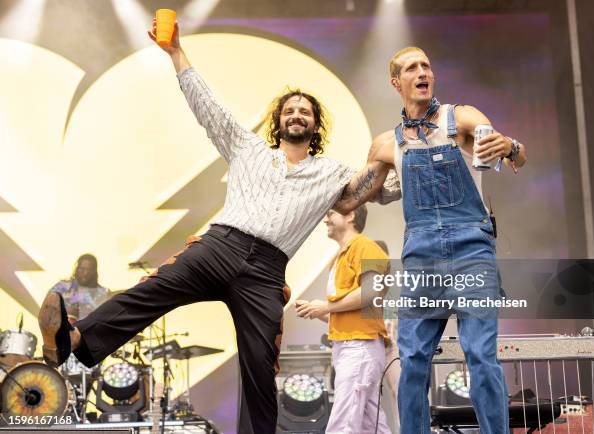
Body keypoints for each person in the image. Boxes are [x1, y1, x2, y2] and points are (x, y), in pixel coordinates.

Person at [37, 20, 390, 434]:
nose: (297, 114)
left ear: (315, 125)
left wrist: (395, 154)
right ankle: (74, 341)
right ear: (279, 121)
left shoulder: (331, 173)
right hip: (221, 245)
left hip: (266, 272)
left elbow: (377, 190)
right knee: (151, 290)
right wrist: (176, 54)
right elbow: (209, 107)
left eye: (305, 111)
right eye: (290, 109)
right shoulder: (249, 148)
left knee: (260, 365)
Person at [334, 46, 527, 433]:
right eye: (411, 67)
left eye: (426, 66)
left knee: (480, 356)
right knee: (412, 362)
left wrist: (509, 147)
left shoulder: (464, 117)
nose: (422, 72)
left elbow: (513, 155)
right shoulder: (387, 145)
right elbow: (349, 199)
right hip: (421, 259)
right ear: (396, 82)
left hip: (472, 251)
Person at [296, 205, 392, 434]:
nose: (325, 219)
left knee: (343, 424)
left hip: (360, 346)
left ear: (350, 215)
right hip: (351, 346)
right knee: (372, 425)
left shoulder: (366, 247)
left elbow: (371, 292)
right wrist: (317, 310)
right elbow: (347, 309)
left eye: (330, 214)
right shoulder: (339, 258)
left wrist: (326, 306)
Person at [49, 254, 109, 323]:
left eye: (89, 270)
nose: (85, 273)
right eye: (82, 269)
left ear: (94, 271)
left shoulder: (102, 293)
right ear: (77, 268)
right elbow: (46, 311)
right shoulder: (62, 287)